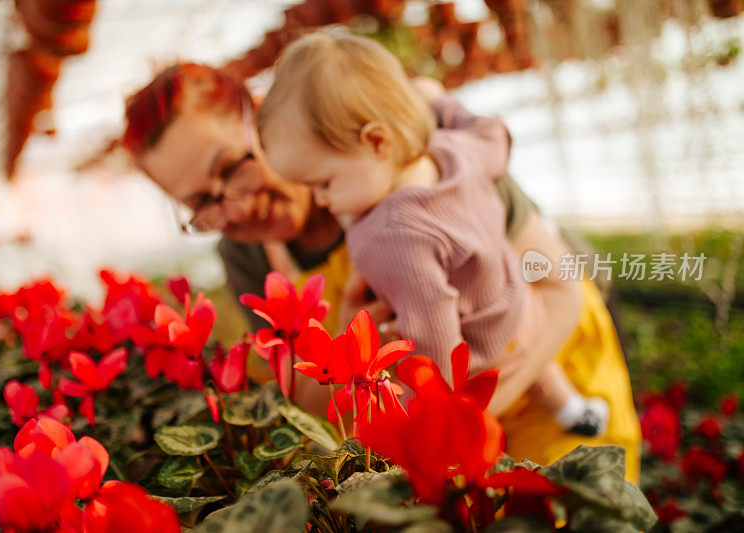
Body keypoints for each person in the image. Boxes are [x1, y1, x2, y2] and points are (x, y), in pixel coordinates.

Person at [121, 61, 642, 483]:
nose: (235, 205)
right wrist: (348, 343)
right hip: (442, 440)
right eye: (203, 203)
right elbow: (309, 403)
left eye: (233, 166)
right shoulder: (247, 258)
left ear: (262, 119)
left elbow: (561, 285)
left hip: (551, 373)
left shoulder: (409, 149)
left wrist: (464, 415)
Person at [256, 29, 610, 437]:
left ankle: (564, 411)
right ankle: (572, 409)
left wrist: (413, 417)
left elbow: (435, 341)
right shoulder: (451, 150)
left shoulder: (392, 236)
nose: (319, 200)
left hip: (479, 347)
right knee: (539, 367)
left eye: (324, 183)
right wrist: (439, 101)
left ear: (376, 141)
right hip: (518, 305)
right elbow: (493, 135)